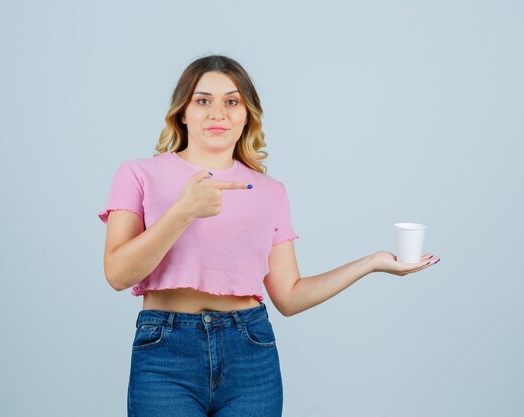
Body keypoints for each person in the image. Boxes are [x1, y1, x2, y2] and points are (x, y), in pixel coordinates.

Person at [98, 55, 440, 417]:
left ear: (247, 114)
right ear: (183, 112)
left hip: (250, 353)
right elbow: (118, 274)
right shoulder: (138, 174)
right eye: (203, 100)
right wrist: (183, 211)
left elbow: (289, 297)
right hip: (165, 354)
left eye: (232, 101)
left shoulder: (269, 191)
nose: (218, 113)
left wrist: (372, 263)